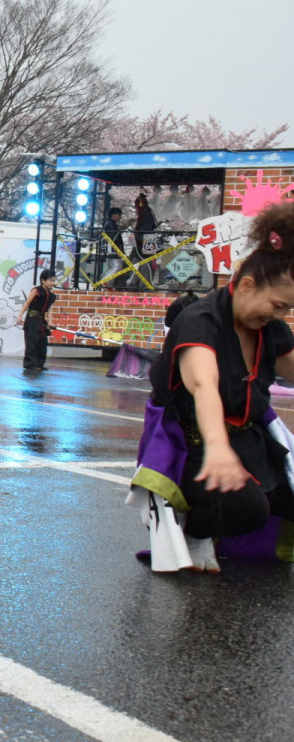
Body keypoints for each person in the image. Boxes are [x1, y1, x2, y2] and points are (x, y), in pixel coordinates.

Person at [130, 202, 294, 572]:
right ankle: (195, 530)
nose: (279, 317)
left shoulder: (270, 330)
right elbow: (204, 386)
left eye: (287, 311)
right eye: (278, 306)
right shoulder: (200, 322)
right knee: (250, 509)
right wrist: (219, 448)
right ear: (247, 285)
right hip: (193, 448)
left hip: (248, 442)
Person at [14, 269, 57, 371]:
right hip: (32, 320)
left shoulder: (51, 295)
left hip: (41, 321)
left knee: (42, 343)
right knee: (32, 342)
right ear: (43, 280)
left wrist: (50, 322)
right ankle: (30, 364)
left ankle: (39, 364)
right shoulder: (36, 291)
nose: (52, 283)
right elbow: (27, 303)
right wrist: (20, 316)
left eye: (54, 281)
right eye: (50, 280)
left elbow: (50, 309)